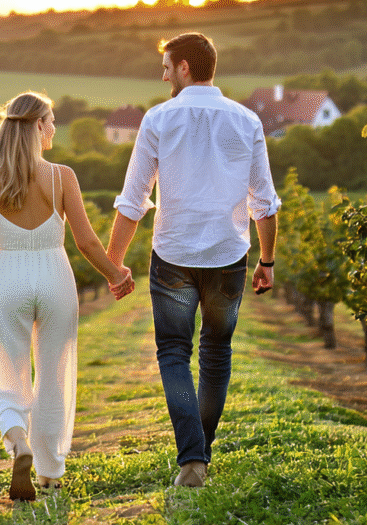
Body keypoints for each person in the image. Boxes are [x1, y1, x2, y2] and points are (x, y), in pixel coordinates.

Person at [106, 33, 280, 488]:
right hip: (228, 255)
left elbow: (133, 200)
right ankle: (199, 453)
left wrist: (113, 264)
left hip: (174, 255)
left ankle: (192, 458)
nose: (163, 76)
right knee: (217, 354)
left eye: (166, 67)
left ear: (184, 67)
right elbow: (264, 202)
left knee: (173, 353)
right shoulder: (247, 120)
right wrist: (267, 261)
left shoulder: (158, 119)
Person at [0, 91, 134, 501]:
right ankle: (50, 474)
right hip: (55, 280)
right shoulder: (62, 176)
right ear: (38, 126)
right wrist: (116, 274)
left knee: (7, 376)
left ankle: (19, 441)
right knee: (54, 376)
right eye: (52, 121)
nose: (55, 128)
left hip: (6, 279)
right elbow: (87, 242)